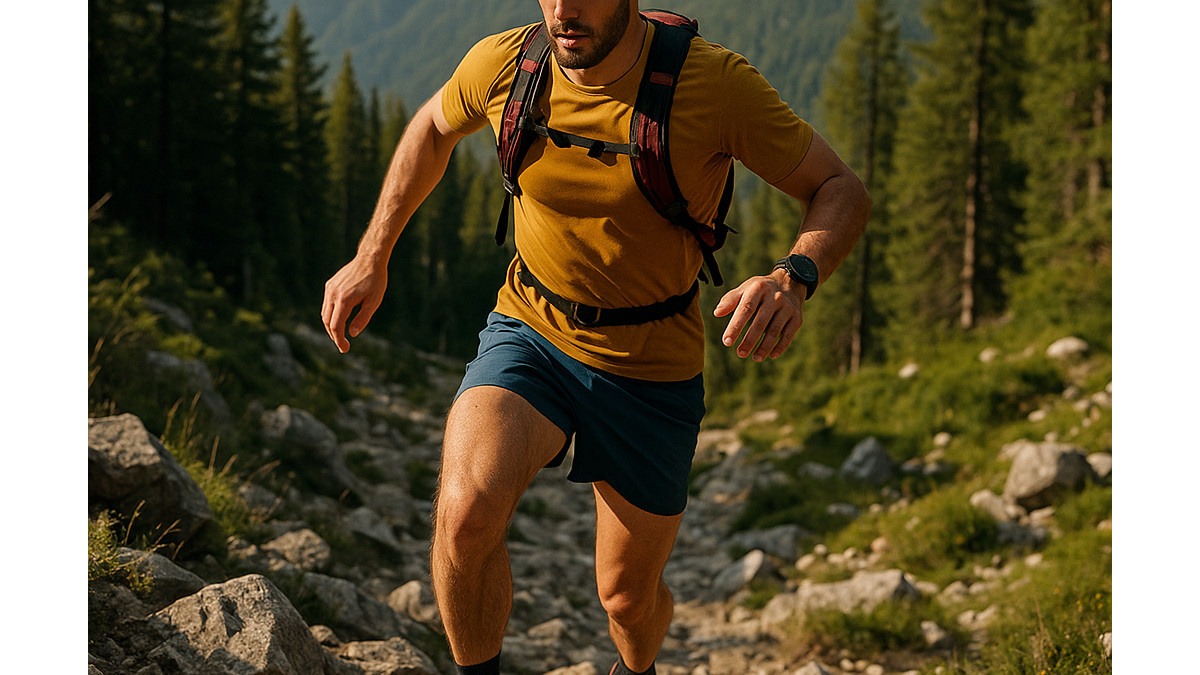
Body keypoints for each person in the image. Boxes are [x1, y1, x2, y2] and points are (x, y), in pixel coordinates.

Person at [321, 1, 870, 673]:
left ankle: (638, 668)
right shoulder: (506, 65)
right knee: (465, 514)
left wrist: (793, 277)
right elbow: (433, 127)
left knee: (626, 598)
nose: (563, 9)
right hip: (531, 327)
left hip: (652, 364)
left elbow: (840, 186)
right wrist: (372, 254)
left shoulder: (713, 85)